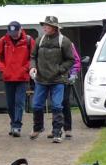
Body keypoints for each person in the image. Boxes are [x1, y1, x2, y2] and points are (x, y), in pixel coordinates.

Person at [30, 15, 76, 143]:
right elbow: (33, 56)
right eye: (44, 25)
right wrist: (32, 68)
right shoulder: (39, 40)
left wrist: (60, 70)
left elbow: (71, 60)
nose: (45, 27)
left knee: (57, 106)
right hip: (41, 80)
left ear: (55, 28)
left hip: (58, 80)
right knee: (37, 106)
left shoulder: (64, 41)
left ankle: (57, 132)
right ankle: (38, 128)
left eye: (48, 25)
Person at [0, 21, 35, 138]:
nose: (14, 35)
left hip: (22, 77)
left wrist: (25, 68)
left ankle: (17, 125)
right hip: (8, 77)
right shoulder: (3, 41)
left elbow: (32, 57)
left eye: (16, 32)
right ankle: (13, 123)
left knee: (19, 102)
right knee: (10, 103)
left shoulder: (28, 40)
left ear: (20, 29)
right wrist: (3, 69)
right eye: (11, 32)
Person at [62, 40, 83, 136]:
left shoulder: (68, 43)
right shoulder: (45, 42)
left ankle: (67, 128)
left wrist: (74, 73)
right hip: (52, 78)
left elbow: (75, 60)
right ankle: (56, 128)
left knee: (65, 101)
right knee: (55, 104)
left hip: (66, 77)